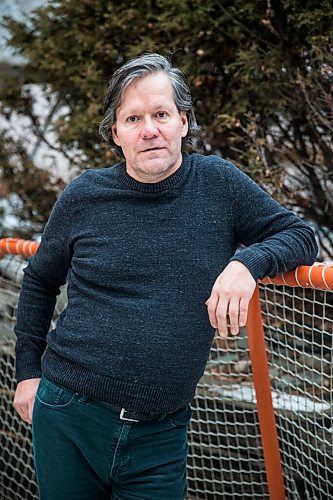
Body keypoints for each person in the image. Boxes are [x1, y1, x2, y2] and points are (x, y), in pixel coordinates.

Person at [13, 53, 318, 500]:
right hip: (66, 414)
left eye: (160, 114)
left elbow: (299, 236)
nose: (149, 129)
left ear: (183, 121)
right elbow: (40, 281)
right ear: (116, 133)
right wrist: (26, 373)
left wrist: (245, 264)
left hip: (161, 434)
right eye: (133, 118)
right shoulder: (84, 195)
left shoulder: (219, 184)